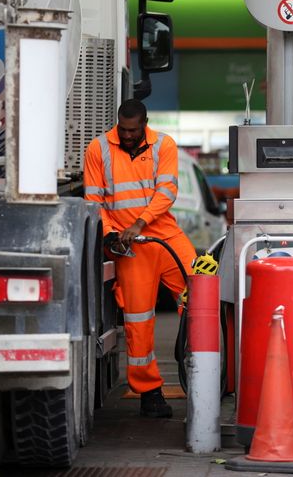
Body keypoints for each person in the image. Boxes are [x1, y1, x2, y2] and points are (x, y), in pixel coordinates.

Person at [84, 98, 196, 418]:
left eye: (133, 130)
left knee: (201, 295)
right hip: (129, 246)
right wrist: (108, 234)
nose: (128, 135)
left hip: (164, 236)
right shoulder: (98, 149)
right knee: (138, 320)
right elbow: (94, 199)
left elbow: (167, 192)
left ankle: (211, 374)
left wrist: (139, 223)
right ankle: (149, 392)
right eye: (123, 129)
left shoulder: (164, 145)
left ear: (145, 124)